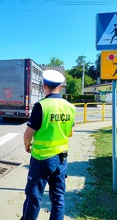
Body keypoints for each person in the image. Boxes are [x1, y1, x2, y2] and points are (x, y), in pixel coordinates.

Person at [20, 70, 76, 220]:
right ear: (61, 86)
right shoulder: (70, 107)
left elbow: (28, 134)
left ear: (44, 86)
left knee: (34, 197)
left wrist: (27, 145)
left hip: (42, 159)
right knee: (58, 198)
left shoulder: (42, 106)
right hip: (62, 159)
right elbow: (70, 133)